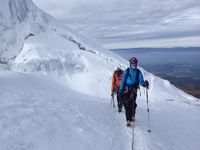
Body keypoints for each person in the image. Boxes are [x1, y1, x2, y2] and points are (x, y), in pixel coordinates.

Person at [119, 57, 149, 126]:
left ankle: (132, 116)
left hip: (134, 90)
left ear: (136, 63)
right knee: (127, 104)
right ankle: (128, 119)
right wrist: (120, 90)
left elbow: (141, 81)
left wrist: (144, 84)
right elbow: (123, 81)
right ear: (130, 63)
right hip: (126, 90)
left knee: (132, 104)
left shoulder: (138, 72)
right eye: (132, 63)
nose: (133, 64)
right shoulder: (127, 71)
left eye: (134, 63)